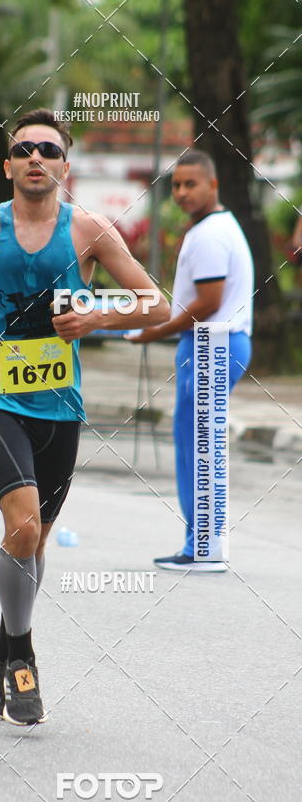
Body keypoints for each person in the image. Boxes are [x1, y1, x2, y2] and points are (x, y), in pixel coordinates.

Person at [0, 108, 169, 725]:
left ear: (65, 166)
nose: (36, 158)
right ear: (7, 166)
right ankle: (22, 656)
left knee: (35, 540)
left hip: (59, 405)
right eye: (24, 149)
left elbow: (156, 304)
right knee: (23, 527)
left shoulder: (90, 231)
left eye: (49, 150)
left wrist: (98, 317)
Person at [129, 149, 253, 572]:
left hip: (212, 344)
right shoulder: (217, 227)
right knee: (198, 444)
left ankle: (203, 548)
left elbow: (208, 302)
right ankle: (203, 545)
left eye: (191, 184)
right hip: (216, 343)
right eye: (176, 185)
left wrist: (153, 332)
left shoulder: (210, 235)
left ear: (213, 185)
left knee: (198, 448)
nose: (181, 192)